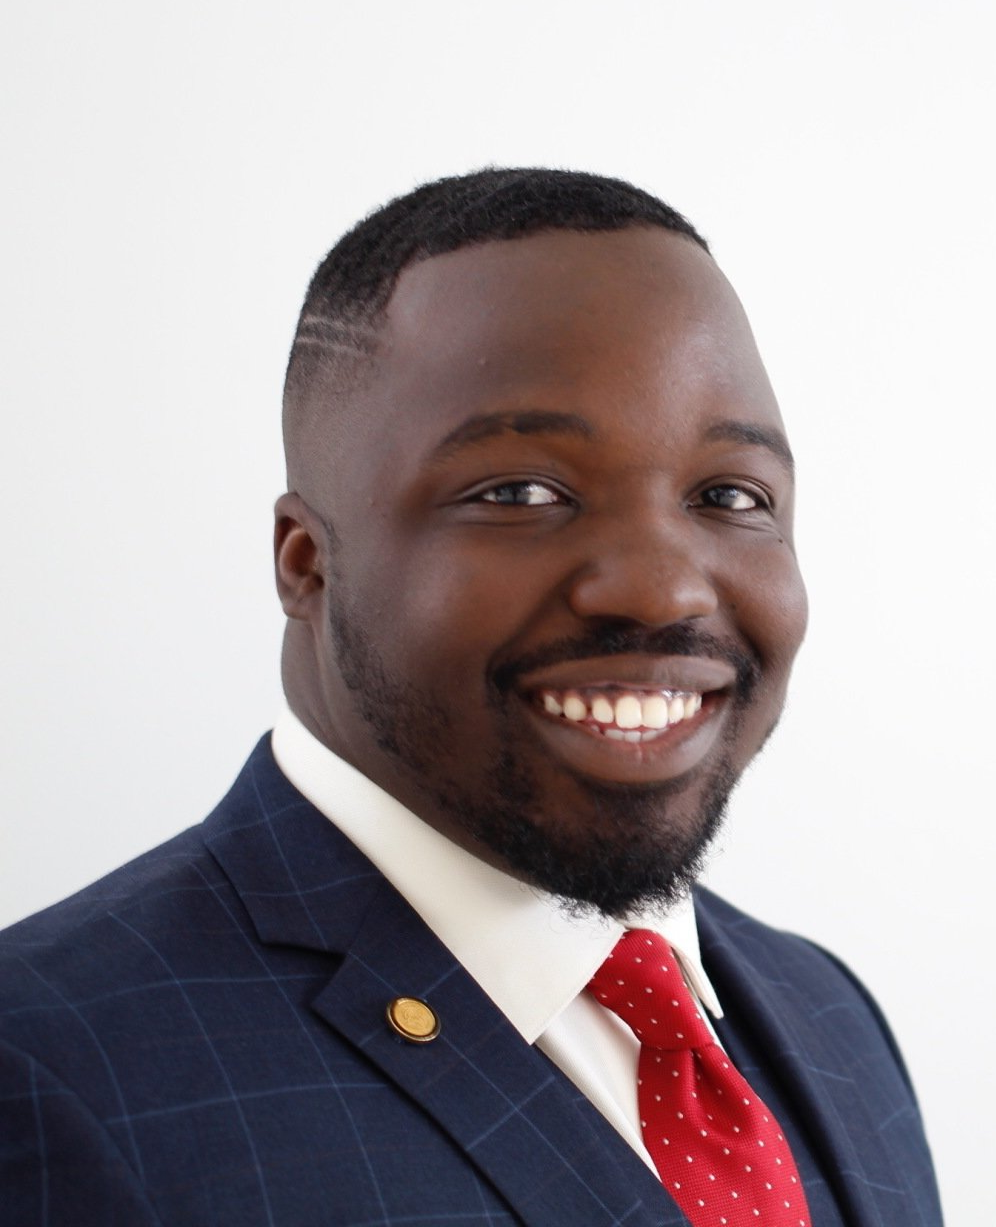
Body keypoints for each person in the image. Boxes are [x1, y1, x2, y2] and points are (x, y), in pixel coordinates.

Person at [0, 169, 942, 1226]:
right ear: (307, 562)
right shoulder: (48, 1073)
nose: (662, 589)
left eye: (729, 495)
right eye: (521, 493)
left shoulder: (833, 1022)